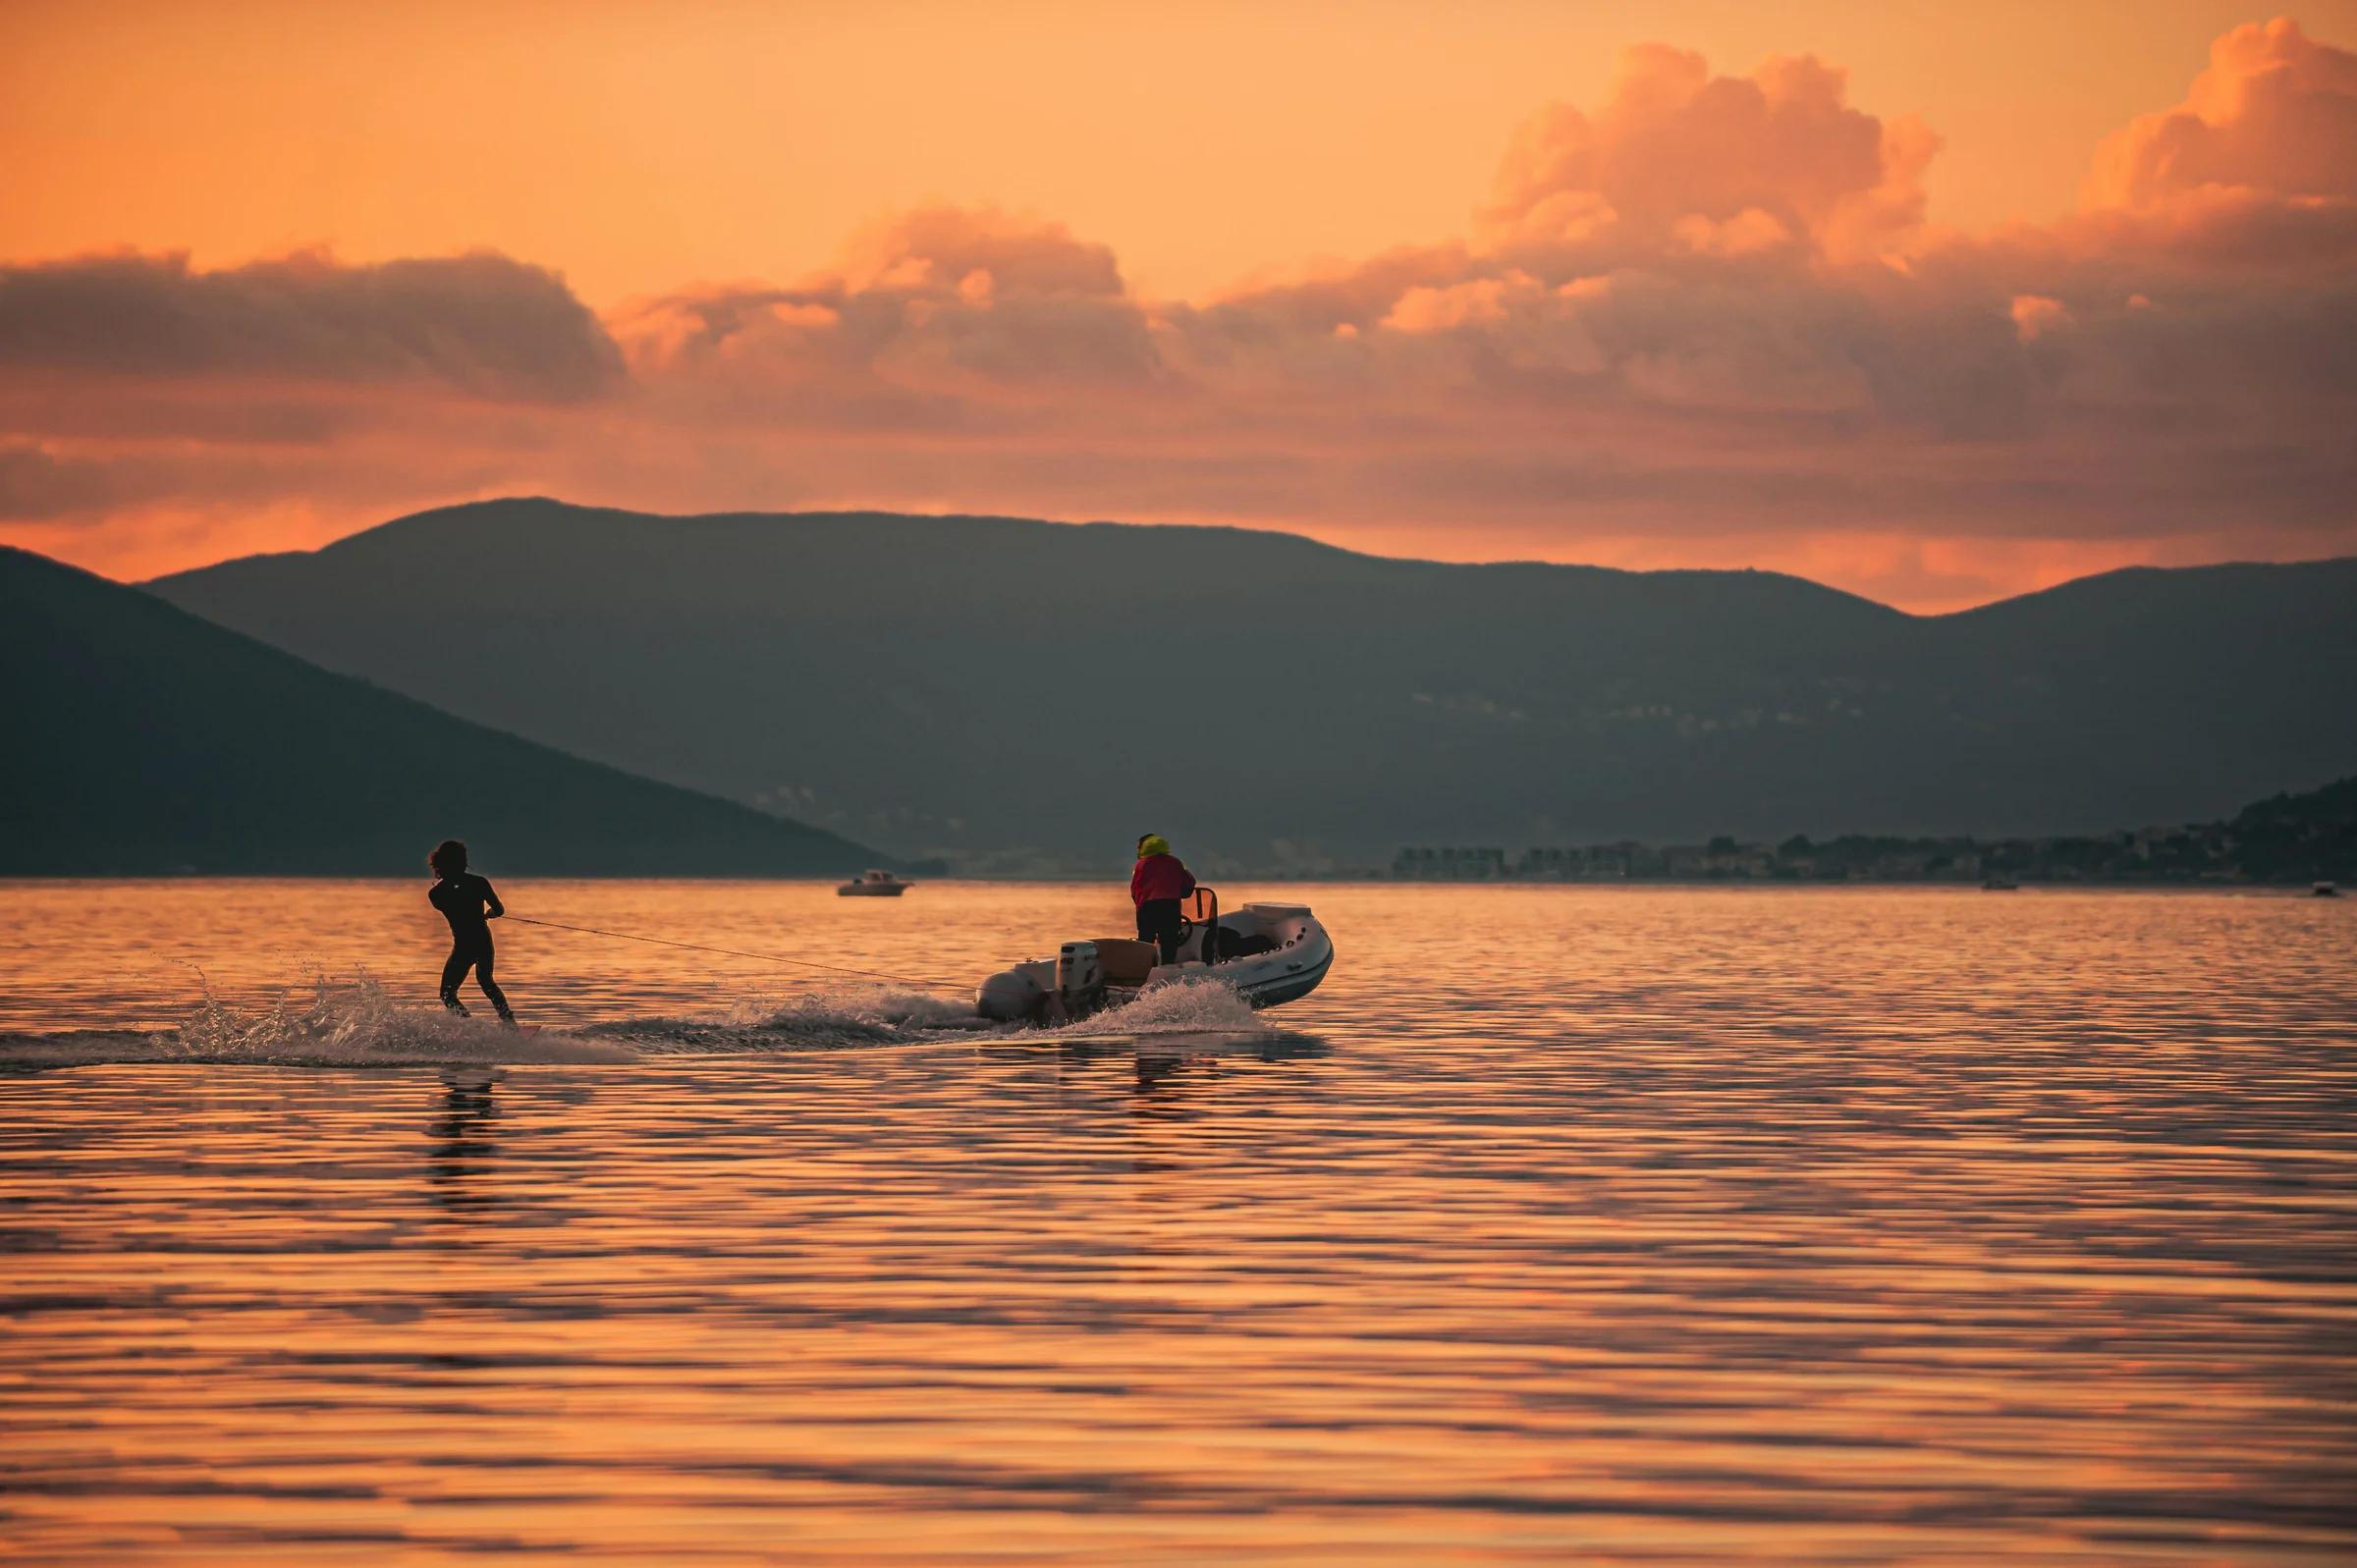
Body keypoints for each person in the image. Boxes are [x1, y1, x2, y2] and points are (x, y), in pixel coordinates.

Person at [428, 838, 515, 1024]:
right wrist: (488, 914)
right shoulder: (479, 883)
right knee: (487, 983)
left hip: (464, 945)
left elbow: (452, 909)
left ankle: (469, 1026)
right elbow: (499, 910)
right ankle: (510, 1025)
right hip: (482, 940)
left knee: (447, 994)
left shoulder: (436, 893)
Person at [1130, 833, 1196, 964]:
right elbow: (1189, 884)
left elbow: (1134, 891)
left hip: (1147, 908)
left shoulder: (1140, 865)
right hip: (1170, 907)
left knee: (1145, 942)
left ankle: (1144, 971)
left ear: (1145, 847)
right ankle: (1167, 971)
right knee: (1169, 942)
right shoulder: (1176, 862)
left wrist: (1141, 905)